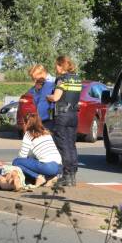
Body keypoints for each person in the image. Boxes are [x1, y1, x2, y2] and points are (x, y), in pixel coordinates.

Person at [46, 55, 82, 186]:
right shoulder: (77, 79)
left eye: (57, 65)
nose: (55, 67)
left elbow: (56, 97)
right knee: (72, 145)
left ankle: (66, 176)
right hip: (74, 115)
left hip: (62, 115)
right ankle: (72, 175)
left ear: (61, 65)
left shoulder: (61, 80)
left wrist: (48, 97)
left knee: (63, 145)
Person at [12, 113, 62, 187]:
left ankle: (38, 177)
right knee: (37, 160)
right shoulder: (46, 132)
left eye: (23, 123)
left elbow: (22, 156)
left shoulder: (29, 134)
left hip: (48, 167)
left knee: (16, 162)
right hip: (59, 166)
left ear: (26, 123)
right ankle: (51, 177)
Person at [27, 64, 56, 130]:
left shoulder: (54, 82)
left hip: (51, 120)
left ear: (42, 73)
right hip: (39, 119)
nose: (34, 81)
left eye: (35, 78)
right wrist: (36, 90)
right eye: (33, 79)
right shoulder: (35, 87)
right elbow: (33, 101)